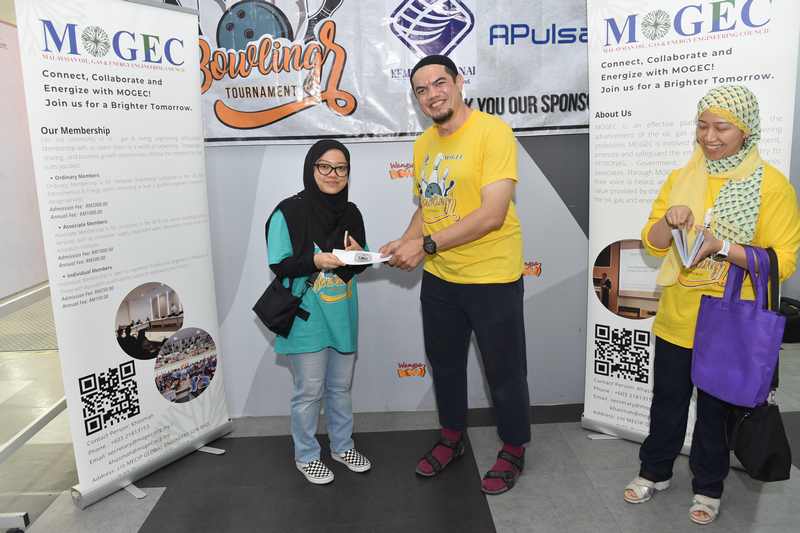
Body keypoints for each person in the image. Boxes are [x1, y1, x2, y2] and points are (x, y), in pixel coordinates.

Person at [624, 85, 800, 524]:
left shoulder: (772, 186)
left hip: (729, 320)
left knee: (714, 412)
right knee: (667, 401)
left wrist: (720, 246)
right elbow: (652, 242)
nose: (709, 136)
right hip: (677, 316)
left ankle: (708, 486)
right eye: (703, 126)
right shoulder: (682, 177)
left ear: (746, 130)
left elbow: (783, 262)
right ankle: (655, 470)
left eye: (722, 127)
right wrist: (670, 221)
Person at [379, 55, 530, 495]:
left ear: (459, 82)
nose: (432, 94)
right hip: (442, 279)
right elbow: (428, 207)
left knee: (504, 371)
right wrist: (404, 240)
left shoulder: (493, 132)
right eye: (421, 90)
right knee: (445, 366)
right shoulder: (424, 144)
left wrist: (424, 246)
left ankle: (513, 448)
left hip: (492, 277)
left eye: (439, 83)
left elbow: (493, 214)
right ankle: (451, 438)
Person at [267, 139, 372, 485]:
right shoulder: (287, 212)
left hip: (342, 314)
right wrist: (315, 260)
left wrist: (359, 255)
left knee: (340, 388)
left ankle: (343, 447)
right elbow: (279, 264)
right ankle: (307, 455)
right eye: (324, 166)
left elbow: (359, 263)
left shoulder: (351, 212)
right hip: (306, 317)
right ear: (311, 168)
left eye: (341, 168)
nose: (333, 174)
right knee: (309, 391)